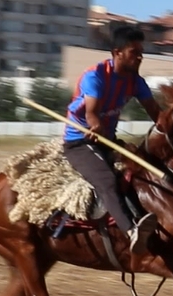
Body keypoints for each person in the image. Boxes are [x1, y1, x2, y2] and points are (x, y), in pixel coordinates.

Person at [62, 25, 162, 254]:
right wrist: (95, 124)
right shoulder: (95, 76)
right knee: (107, 180)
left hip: (107, 139)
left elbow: (158, 116)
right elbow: (91, 113)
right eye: (134, 52)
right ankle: (131, 231)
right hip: (80, 143)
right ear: (117, 52)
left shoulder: (136, 82)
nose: (140, 57)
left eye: (141, 51)